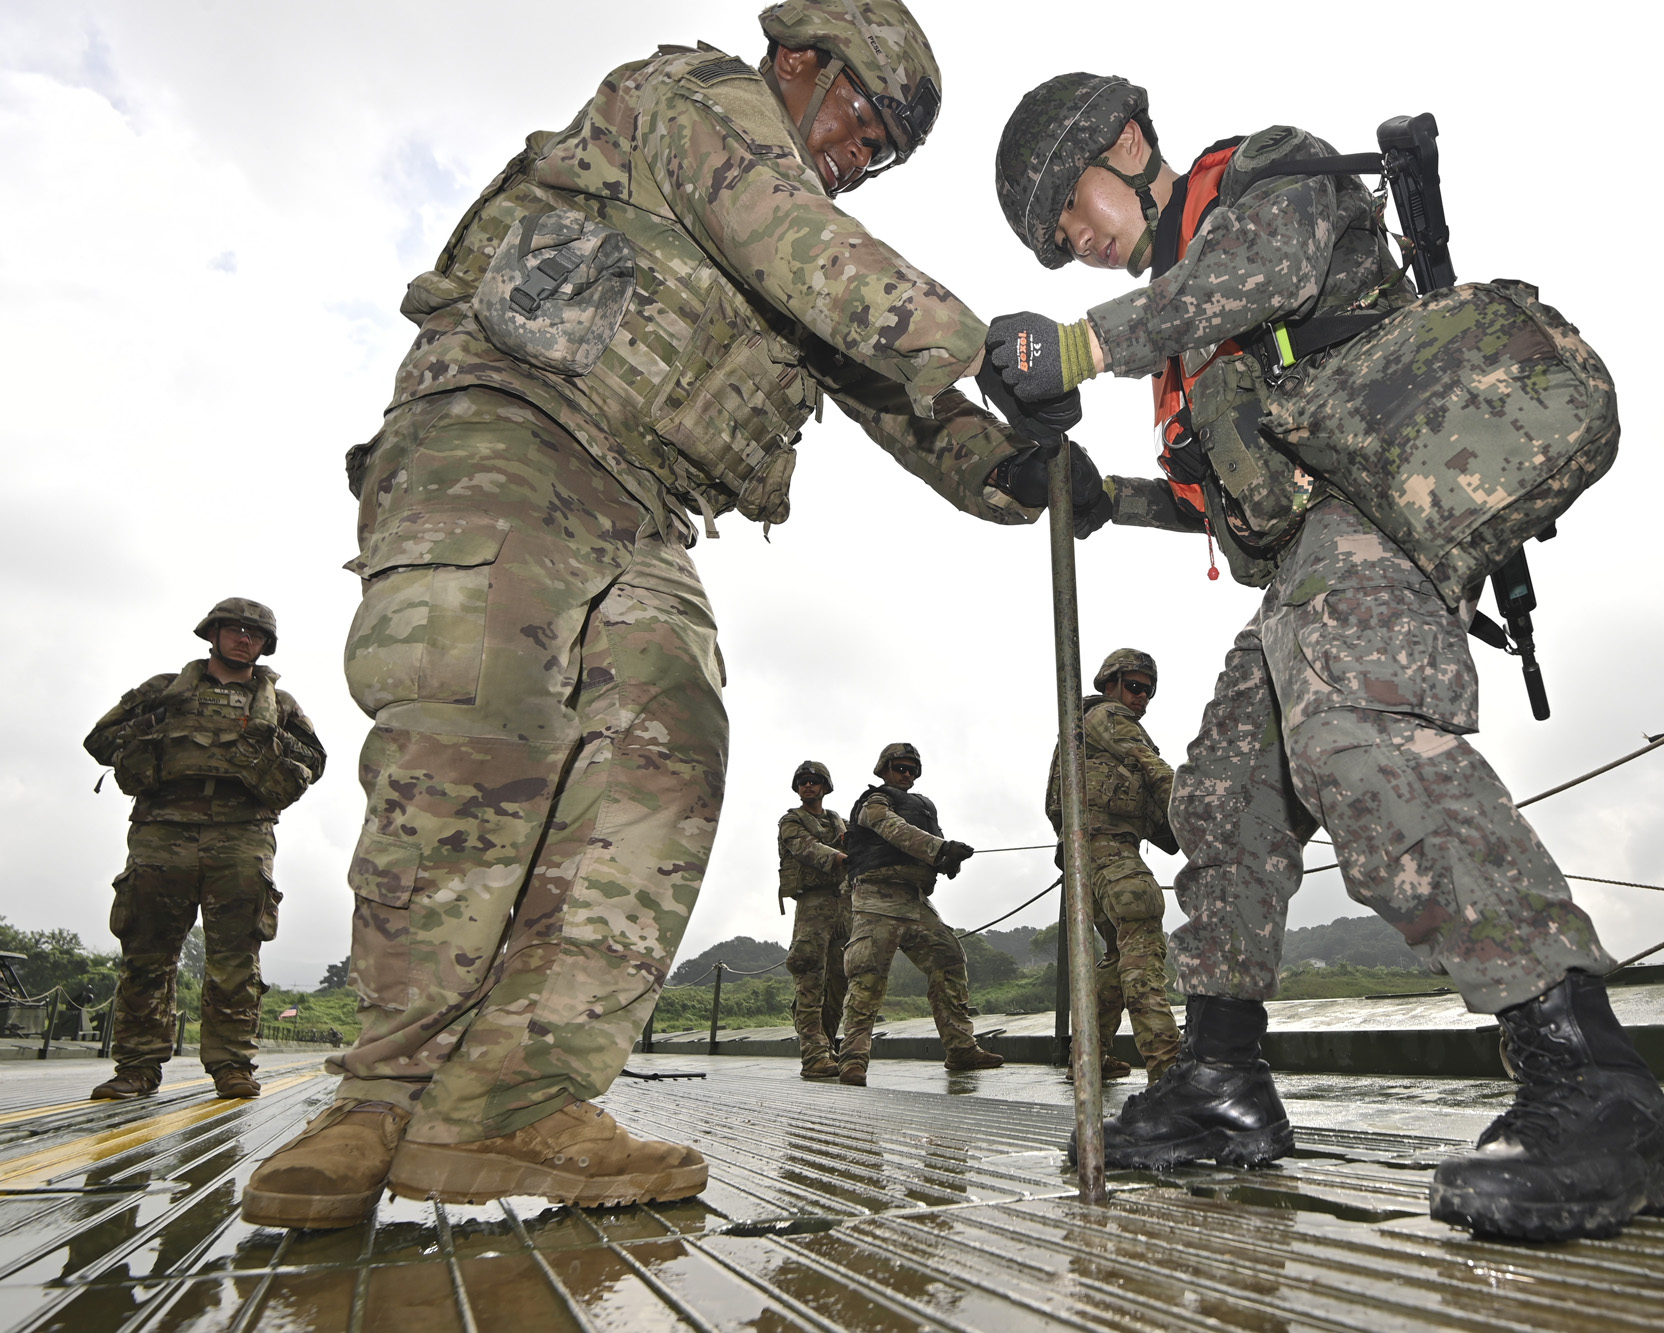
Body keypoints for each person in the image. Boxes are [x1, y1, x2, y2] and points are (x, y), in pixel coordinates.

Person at [241, 0, 1108, 1232]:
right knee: (479, 732)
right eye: (865, 119)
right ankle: (378, 1096)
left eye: (886, 153)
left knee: (667, 742)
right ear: (800, 62)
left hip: (643, 504)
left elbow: (908, 406)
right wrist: (997, 340)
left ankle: (508, 1103)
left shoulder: (814, 244)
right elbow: (805, 250)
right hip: (508, 423)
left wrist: (1052, 481)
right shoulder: (694, 100)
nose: (862, 158)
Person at [983, 74, 1664, 1243]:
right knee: (1220, 793)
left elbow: (1268, 275)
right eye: (1058, 242)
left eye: (1070, 208)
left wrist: (1074, 346)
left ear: (1122, 143)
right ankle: (1220, 1081)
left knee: (1353, 736)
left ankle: (1594, 1087)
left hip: (1375, 516)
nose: (1076, 240)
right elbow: (1236, 505)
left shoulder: (1261, 178)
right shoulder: (1182, 334)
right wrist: (1106, 496)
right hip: (1302, 554)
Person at [83, 598, 325, 1103]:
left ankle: (233, 1067)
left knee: (236, 958)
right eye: (234, 629)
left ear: (265, 645)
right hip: (162, 830)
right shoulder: (163, 691)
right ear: (212, 634)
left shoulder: (279, 705)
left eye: (254, 634)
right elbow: (99, 740)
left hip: (241, 835)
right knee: (147, 953)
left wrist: (266, 744)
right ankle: (137, 1068)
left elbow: (315, 761)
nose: (244, 638)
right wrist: (159, 732)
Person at [1046, 649, 1180, 1083]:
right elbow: (1154, 769)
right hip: (1108, 850)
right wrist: (1201, 815)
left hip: (1084, 858)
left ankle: (1088, 1057)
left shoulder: (1083, 731)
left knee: (1118, 956)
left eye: (1149, 691)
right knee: (1143, 945)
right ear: (1110, 683)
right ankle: (1169, 1069)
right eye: (1135, 686)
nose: (1142, 698)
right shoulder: (1109, 717)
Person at [835, 743, 1002, 1086]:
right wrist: (940, 849)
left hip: (915, 900)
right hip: (876, 899)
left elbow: (926, 844)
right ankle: (852, 1060)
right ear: (883, 769)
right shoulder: (875, 801)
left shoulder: (924, 807)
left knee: (949, 959)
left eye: (912, 769)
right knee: (867, 978)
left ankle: (960, 1048)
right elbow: (890, 827)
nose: (906, 774)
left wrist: (945, 861)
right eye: (900, 768)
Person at [778, 760, 850, 1078]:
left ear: (824, 786)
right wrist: (839, 856)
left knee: (840, 982)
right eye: (803, 781)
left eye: (814, 781)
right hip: (812, 908)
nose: (808, 785)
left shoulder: (839, 822)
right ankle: (813, 1055)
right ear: (798, 787)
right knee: (810, 981)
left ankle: (828, 1048)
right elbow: (807, 849)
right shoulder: (791, 821)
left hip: (843, 908)